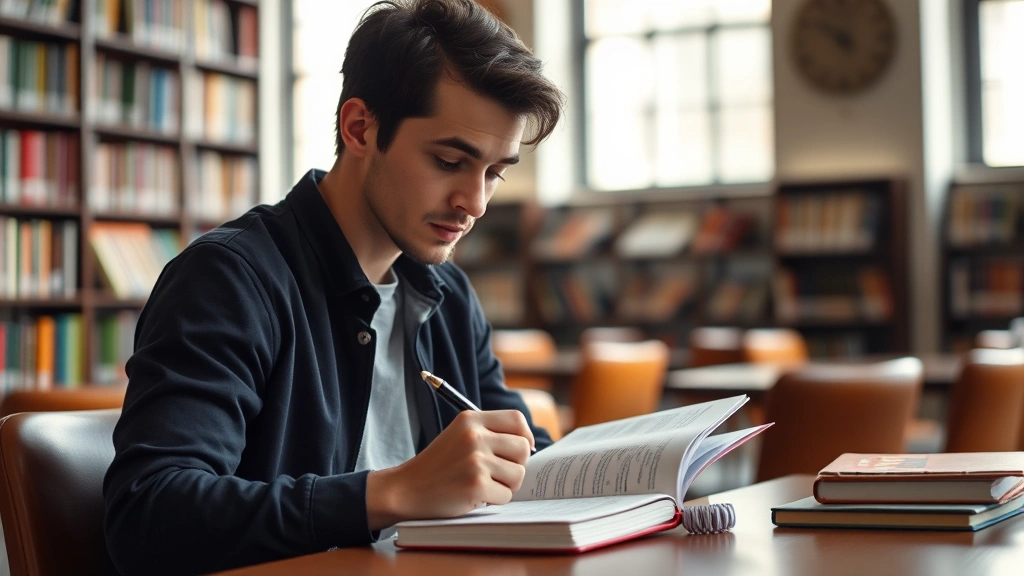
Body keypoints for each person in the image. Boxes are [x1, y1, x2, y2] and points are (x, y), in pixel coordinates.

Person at [102, 0, 565, 573]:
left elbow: (521, 450)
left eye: (495, 172)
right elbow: (149, 515)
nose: (475, 203)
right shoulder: (228, 280)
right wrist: (391, 492)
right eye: (450, 161)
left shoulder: (448, 295)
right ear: (360, 127)